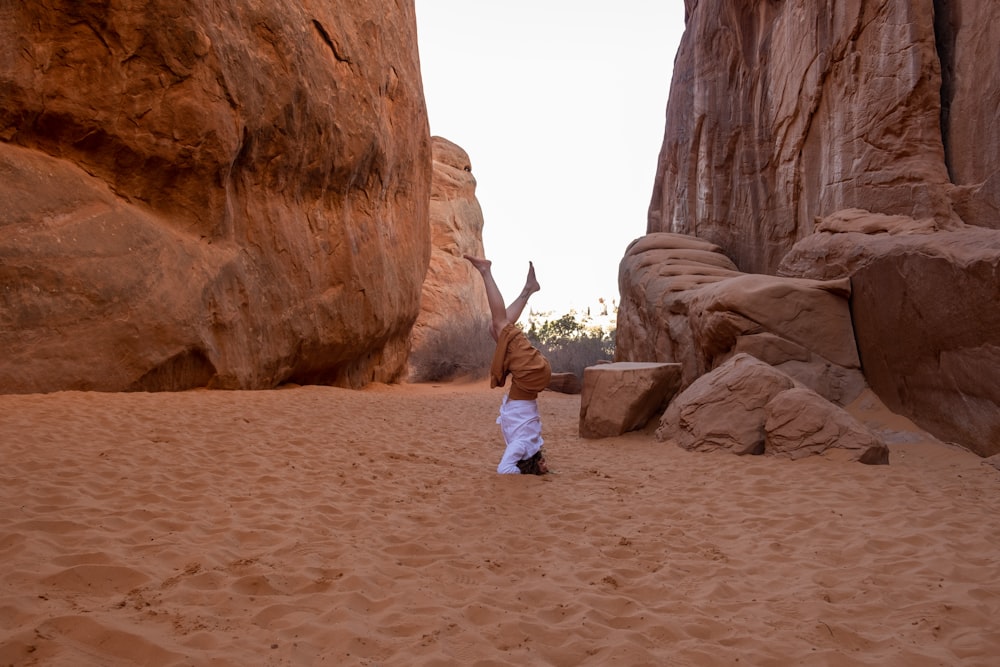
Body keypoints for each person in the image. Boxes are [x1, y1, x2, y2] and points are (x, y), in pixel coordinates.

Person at [465, 255, 552, 475]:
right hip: (529, 375)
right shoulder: (525, 446)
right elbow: (504, 470)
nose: (546, 465)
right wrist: (527, 472)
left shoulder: (527, 446)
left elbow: (510, 464)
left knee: (496, 330)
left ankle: (529, 289)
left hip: (530, 378)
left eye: (542, 466)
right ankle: (486, 271)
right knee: (499, 324)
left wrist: (525, 468)